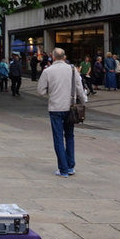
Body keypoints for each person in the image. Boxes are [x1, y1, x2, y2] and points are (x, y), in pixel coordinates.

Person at [36, 48, 87, 178]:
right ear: (64, 57)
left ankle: (63, 169)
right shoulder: (72, 70)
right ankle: (70, 166)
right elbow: (80, 88)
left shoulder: (48, 71)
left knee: (58, 137)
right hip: (70, 108)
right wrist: (83, 100)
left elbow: (41, 91)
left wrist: (51, 92)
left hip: (55, 108)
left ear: (53, 57)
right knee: (70, 136)